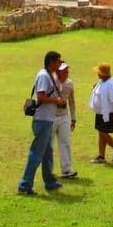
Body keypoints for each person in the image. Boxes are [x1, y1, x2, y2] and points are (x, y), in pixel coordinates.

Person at [18, 50, 68, 195]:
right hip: (42, 119)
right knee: (37, 153)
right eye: (59, 61)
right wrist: (56, 100)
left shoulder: (50, 75)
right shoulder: (44, 76)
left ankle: (50, 181)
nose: (60, 64)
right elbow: (41, 97)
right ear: (52, 62)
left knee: (47, 152)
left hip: (47, 119)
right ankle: (25, 185)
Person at [88, 61, 113, 163]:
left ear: (103, 74)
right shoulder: (102, 81)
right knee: (101, 132)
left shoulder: (111, 84)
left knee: (103, 132)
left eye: (99, 72)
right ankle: (101, 156)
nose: (97, 74)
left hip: (107, 113)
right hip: (101, 112)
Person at [54, 61, 77, 179]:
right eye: (65, 70)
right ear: (58, 71)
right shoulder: (51, 82)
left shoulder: (70, 83)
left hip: (63, 116)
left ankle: (67, 169)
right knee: (47, 144)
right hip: (51, 116)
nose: (67, 72)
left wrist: (73, 118)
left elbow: (72, 102)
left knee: (65, 142)